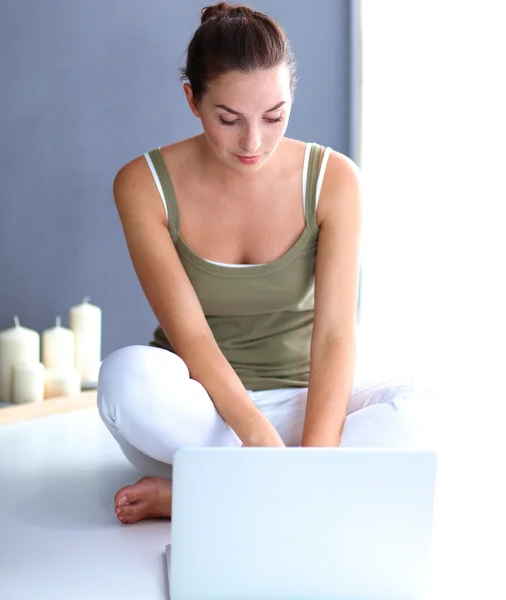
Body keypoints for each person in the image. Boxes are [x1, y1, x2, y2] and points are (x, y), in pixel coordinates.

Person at [97, 2, 436, 525]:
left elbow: (335, 336)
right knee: (123, 382)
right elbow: (190, 336)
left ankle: (198, 495)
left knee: (421, 414)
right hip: (203, 412)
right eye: (229, 119)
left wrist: (310, 461)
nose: (253, 142)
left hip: (307, 403)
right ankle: (292, 488)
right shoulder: (142, 185)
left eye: (274, 116)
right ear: (192, 100)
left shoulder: (335, 179)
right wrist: (261, 443)